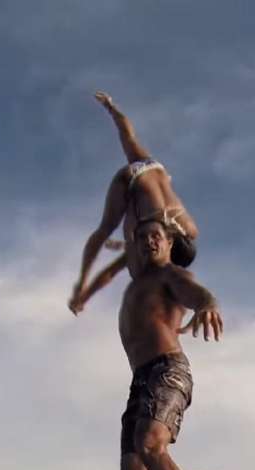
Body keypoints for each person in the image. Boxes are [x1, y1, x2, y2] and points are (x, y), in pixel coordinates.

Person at [75, 219, 224, 470]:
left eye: (155, 236)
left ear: (169, 242)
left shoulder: (170, 277)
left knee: (153, 444)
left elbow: (197, 293)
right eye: (141, 239)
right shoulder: (139, 284)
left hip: (167, 370)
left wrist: (207, 305)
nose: (148, 243)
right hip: (140, 379)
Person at [69, 91, 201, 315]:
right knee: (107, 231)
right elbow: (111, 271)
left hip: (154, 170)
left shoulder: (190, 229)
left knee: (129, 137)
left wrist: (111, 107)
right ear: (168, 249)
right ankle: (80, 281)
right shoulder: (151, 240)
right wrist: (84, 293)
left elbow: (127, 134)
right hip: (130, 181)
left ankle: (111, 105)